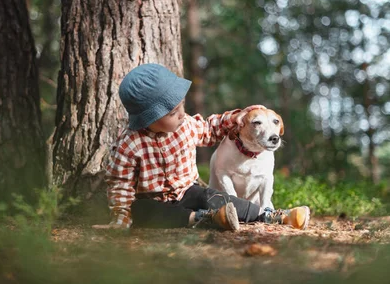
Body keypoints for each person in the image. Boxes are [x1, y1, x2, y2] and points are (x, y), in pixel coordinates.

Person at [103, 63, 310, 231]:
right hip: (155, 201)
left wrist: (235, 117)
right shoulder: (129, 145)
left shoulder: (187, 126)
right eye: (172, 113)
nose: (182, 114)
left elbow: (212, 128)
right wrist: (121, 218)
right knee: (141, 210)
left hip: (188, 192)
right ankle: (204, 219)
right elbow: (120, 185)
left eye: (181, 106)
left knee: (210, 196)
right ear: (149, 119)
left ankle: (270, 215)